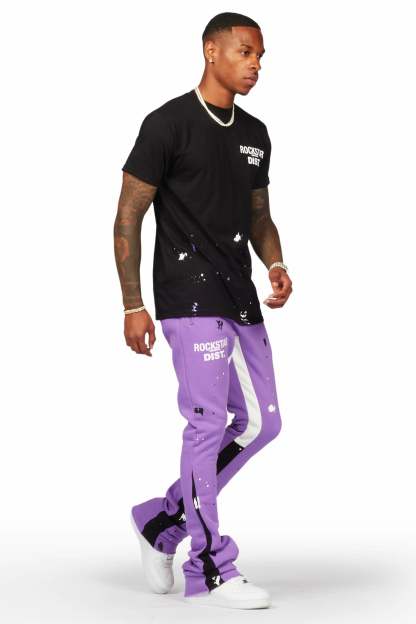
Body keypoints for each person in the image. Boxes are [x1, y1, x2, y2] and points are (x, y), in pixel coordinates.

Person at [114, 11, 293, 610]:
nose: (255, 64)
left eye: (260, 56)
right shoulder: (167, 124)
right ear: (211, 51)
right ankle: (211, 567)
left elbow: (259, 216)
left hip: (240, 296)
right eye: (245, 52)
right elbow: (128, 216)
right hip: (188, 298)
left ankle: (162, 519)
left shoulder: (256, 134)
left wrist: (275, 263)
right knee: (209, 425)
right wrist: (133, 304)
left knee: (261, 424)